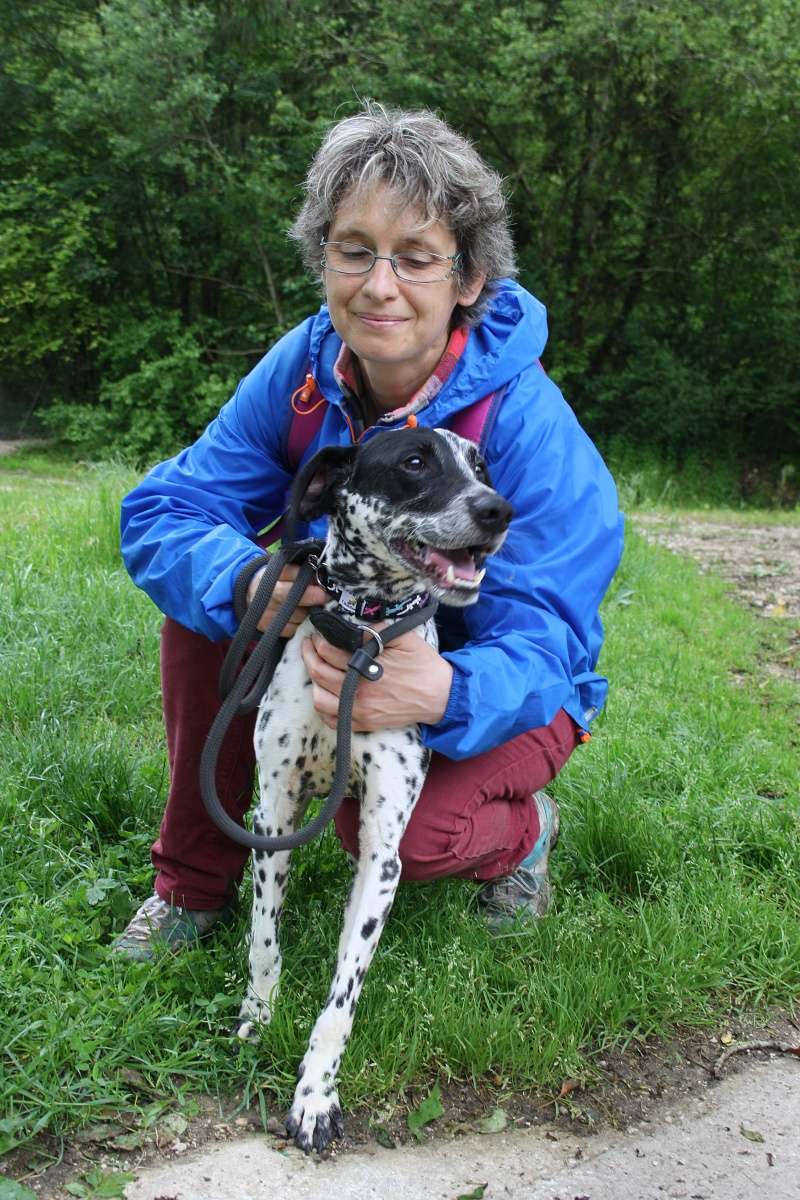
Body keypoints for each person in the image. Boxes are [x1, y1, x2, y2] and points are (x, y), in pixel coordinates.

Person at [115, 102, 623, 958]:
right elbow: (167, 509)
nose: (379, 286)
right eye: (354, 251)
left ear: (467, 280)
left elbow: (549, 639)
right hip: (350, 630)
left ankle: (523, 833)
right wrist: (248, 583)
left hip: (492, 676)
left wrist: (446, 694)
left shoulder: (532, 427)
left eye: (416, 258)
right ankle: (189, 890)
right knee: (208, 610)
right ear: (324, 258)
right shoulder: (304, 367)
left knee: (404, 838)